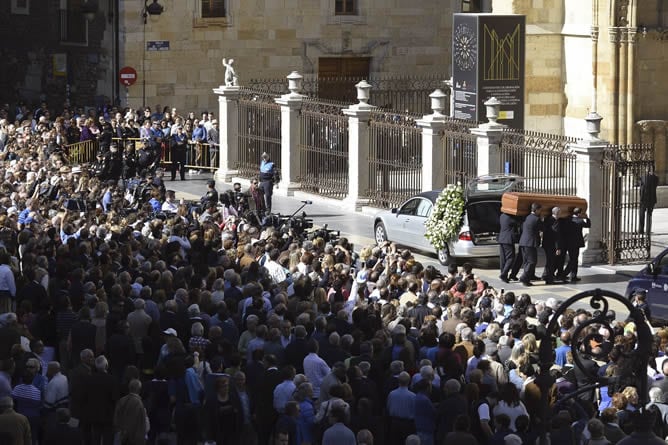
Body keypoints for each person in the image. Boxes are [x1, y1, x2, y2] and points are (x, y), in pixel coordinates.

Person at [560, 207, 591, 282]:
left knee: (573, 259)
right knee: (573, 260)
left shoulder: (567, 219)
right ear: (579, 213)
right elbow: (588, 225)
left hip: (568, 243)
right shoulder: (580, 221)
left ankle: (573, 276)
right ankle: (564, 274)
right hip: (576, 244)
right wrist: (587, 218)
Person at [518, 203, 542, 286]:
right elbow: (543, 228)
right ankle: (524, 278)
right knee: (532, 261)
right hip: (530, 243)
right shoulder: (536, 219)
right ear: (536, 210)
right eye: (540, 210)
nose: (541, 211)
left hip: (523, 242)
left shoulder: (527, 217)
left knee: (526, 261)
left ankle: (530, 276)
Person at [497, 212, 522, 283]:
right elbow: (518, 222)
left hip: (502, 239)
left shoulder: (502, 216)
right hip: (508, 240)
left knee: (503, 258)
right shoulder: (510, 218)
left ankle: (503, 274)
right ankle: (504, 274)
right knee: (510, 258)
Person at [639, 165, 659, 234]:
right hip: (647, 199)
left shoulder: (644, 177)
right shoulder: (654, 178)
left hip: (647, 199)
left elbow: (641, 187)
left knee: (645, 215)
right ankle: (644, 230)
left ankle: (644, 230)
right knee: (645, 215)